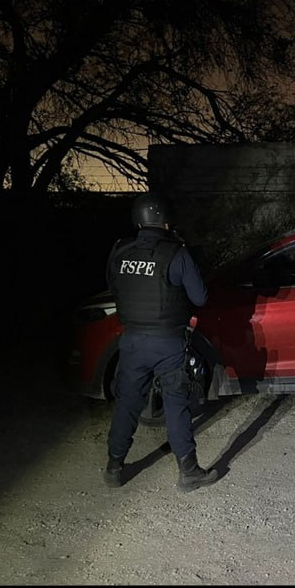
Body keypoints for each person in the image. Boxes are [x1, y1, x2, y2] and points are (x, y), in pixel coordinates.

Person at [103, 193, 218, 492]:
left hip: (132, 341)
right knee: (176, 405)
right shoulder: (176, 253)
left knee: (127, 404)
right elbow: (200, 298)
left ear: (138, 220)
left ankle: (114, 468)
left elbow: (114, 287)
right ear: (166, 222)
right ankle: (189, 472)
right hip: (168, 342)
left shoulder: (119, 250)